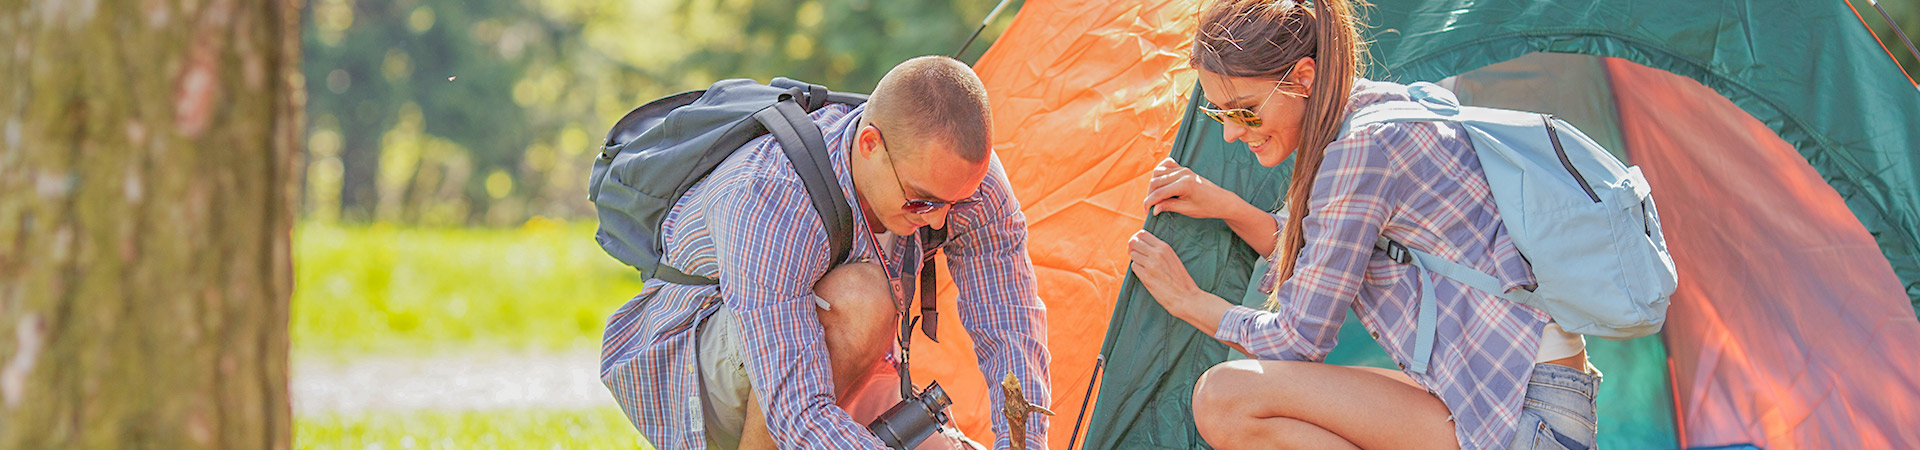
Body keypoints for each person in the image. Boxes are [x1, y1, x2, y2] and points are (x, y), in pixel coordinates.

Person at [1124, 1, 1601, 449]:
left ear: (1303, 77)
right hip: (1514, 392)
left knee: (1225, 398)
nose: (1230, 131)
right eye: (1219, 113)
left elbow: (1298, 340)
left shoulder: (1362, 150)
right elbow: (1318, 253)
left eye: (1245, 111)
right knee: (1265, 399)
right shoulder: (1376, 111)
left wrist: (1190, 302)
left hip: (1526, 412)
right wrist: (1225, 205)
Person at [600, 56, 1051, 450]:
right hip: (698, 368)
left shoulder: (966, 183)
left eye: (952, 203)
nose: (936, 221)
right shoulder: (769, 195)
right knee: (861, 299)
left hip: (843, 365)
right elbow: (794, 408)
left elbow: (1010, 324)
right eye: (921, 200)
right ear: (870, 145)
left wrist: (1024, 442)